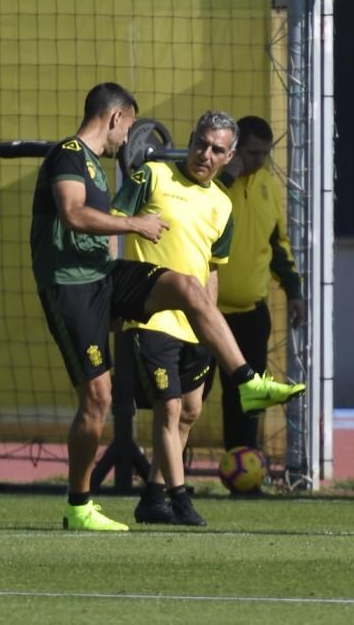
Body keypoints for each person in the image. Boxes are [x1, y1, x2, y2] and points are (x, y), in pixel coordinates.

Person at [30, 84, 305, 532]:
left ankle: (246, 380)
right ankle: (80, 505)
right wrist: (135, 223)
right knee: (99, 399)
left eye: (218, 149)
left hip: (103, 277)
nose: (130, 137)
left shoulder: (102, 170)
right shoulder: (68, 153)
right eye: (132, 125)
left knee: (186, 287)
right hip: (71, 287)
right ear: (116, 118)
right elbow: (73, 215)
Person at [111, 110, 237, 526]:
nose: (205, 153)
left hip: (194, 326)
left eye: (216, 149)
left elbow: (212, 269)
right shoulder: (153, 176)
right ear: (190, 138)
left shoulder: (223, 204)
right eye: (201, 142)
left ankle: (152, 496)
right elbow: (112, 225)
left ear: (229, 155)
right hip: (153, 318)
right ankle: (180, 500)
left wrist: (210, 323)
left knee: (189, 413)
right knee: (167, 410)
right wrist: (110, 294)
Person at [210, 115, 305, 454]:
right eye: (252, 153)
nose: (259, 161)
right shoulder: (210, 182)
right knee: (188, 400)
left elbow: (277, 245)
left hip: (250, 314)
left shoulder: (267, 185)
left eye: (265, 154)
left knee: (248, 400)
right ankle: (170, 482)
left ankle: (243, 472)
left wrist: (294, 290)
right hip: (205, 314)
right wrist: (227, 176)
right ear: (234, 151)